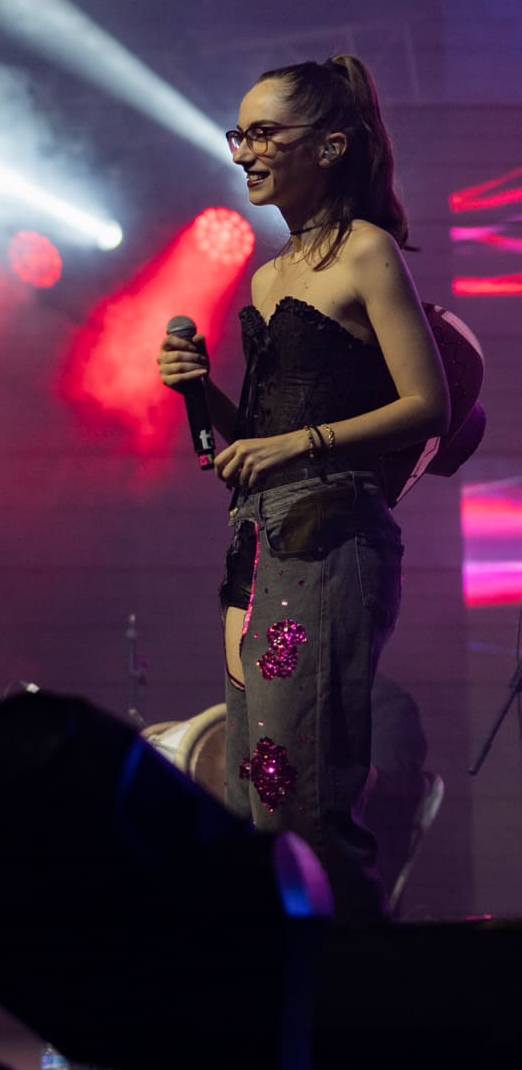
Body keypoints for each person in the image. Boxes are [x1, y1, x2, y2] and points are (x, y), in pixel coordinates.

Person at [158, 55, 448, 918]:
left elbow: (426, 404)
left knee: (307, 804)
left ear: (329, 146)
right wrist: (200, 390)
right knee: (259, 801)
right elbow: (253, 446)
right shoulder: (268, 272)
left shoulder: (367, 250)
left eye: (260, 134)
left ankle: (354, 1016)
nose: (243, 151)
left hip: (332, 541)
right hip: (258, 552)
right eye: (237, 134)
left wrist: (300, 441)